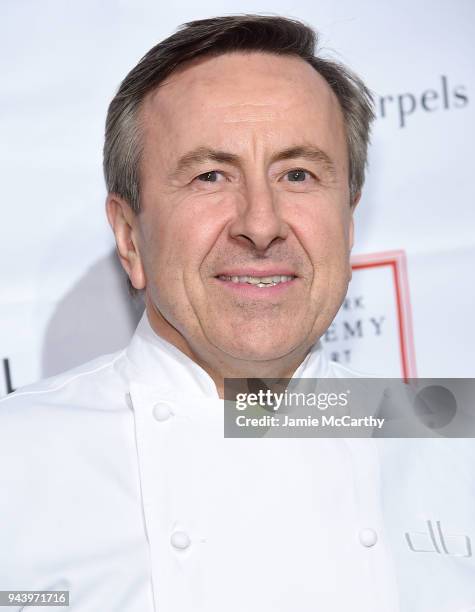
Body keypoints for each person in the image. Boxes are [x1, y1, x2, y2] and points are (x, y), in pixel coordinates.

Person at [1, 14, 474, 612]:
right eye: (209, 176)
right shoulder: (12, 459)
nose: (260, 223)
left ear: (349, 223)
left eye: (298, 174)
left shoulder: (453, 440)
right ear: (129, 237)